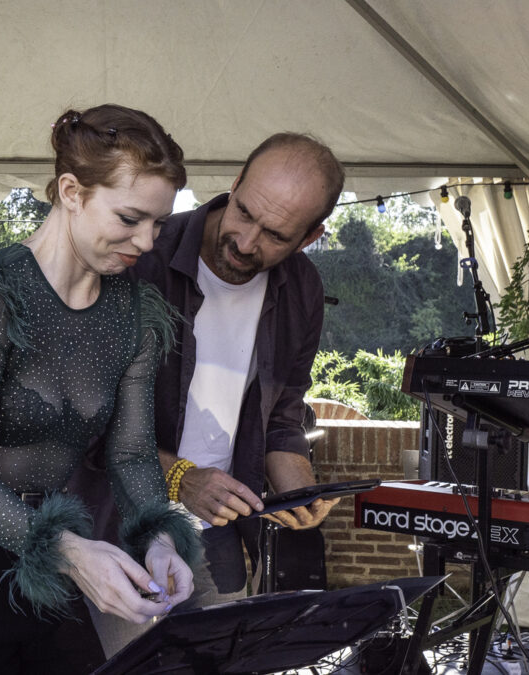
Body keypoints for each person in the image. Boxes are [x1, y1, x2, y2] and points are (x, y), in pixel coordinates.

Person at [0, 104, 200, 674]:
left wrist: (159, 538)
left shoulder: (135, 313)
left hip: (49, 567)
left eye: (158, 224)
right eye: (130, 218)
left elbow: (130, 455)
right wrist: (71, 551)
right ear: (71, 192)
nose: (148, 241)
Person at [77, 132, 347, 656]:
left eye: (275, 235)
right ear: (235, 183)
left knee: (223, 662)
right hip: (120, 521)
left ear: (310, 236)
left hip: (219, 531)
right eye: (244, 213)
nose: (246, 242)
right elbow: (86, 419)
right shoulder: (142, 256)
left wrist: (299, 493)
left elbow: (283, 415)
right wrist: (181, 478)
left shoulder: (303, 289)